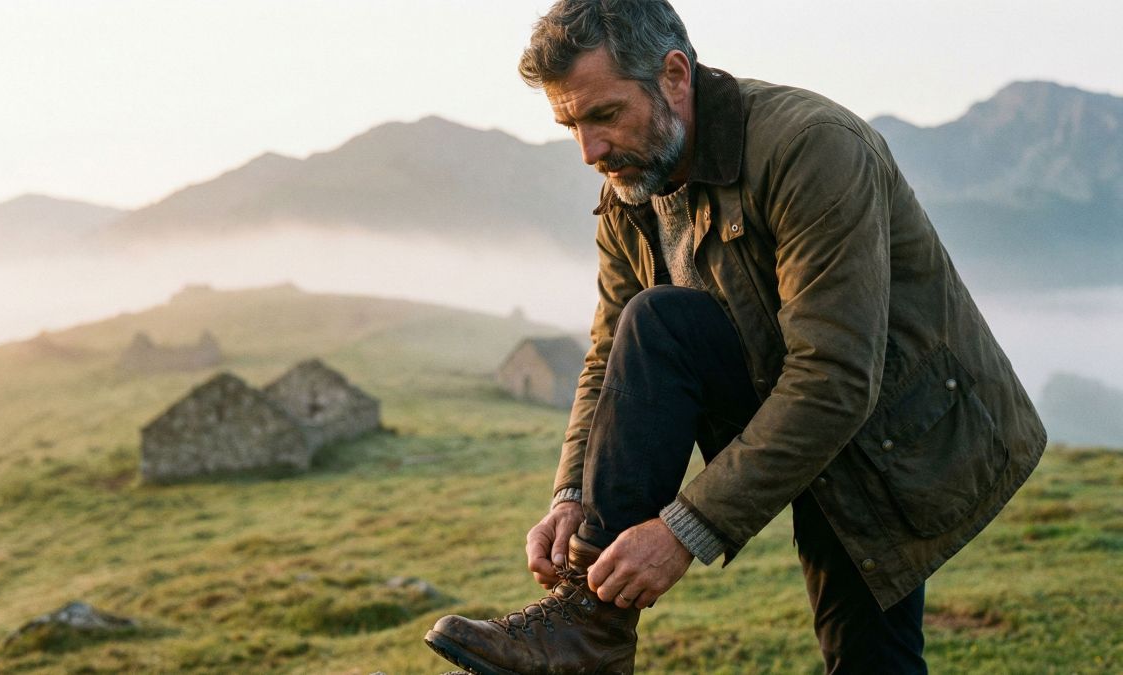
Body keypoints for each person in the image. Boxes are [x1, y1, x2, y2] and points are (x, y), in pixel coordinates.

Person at [424, 1, 1047, 673]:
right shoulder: (631, 183)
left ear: (674, 75)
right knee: (655, 324)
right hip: (779, 392)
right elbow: (611, 358)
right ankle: (593, 626)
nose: (589, 151)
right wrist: (570, 496)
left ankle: (592, 632)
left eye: (603, 115)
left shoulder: (813, 146)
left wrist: (681, 530)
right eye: (570, 123)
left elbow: (834, 376)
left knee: (870, 658)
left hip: (888, 430)